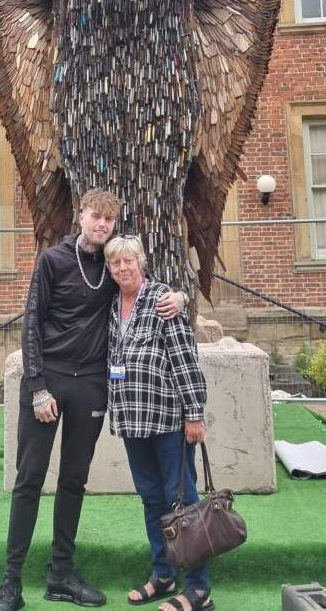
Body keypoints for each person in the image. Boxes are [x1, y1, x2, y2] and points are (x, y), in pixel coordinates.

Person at [0, 190, 184, 611]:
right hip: (49, 382)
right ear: (81, 216)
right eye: (96, 216)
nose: (102, 225)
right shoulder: (53, 260)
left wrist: (180, 298)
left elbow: (146, 284)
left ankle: (61, 575)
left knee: (74, 481)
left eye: (109, 220)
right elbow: (32, 326)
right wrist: (37, 386)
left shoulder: (113, 264)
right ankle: (10, 583)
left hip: (92, 384)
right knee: (29, 479)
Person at [104, 235, 213, 611]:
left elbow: (185, 358)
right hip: (133, 423)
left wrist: (194, 413)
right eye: (115, 263)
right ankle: (163, 575)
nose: (122, 268)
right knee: (152, 499)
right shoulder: (112, 304)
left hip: (168, 419)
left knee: (181, 501)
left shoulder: (163, 299)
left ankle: (199, 589)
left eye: (128, 261)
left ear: (141, 262)